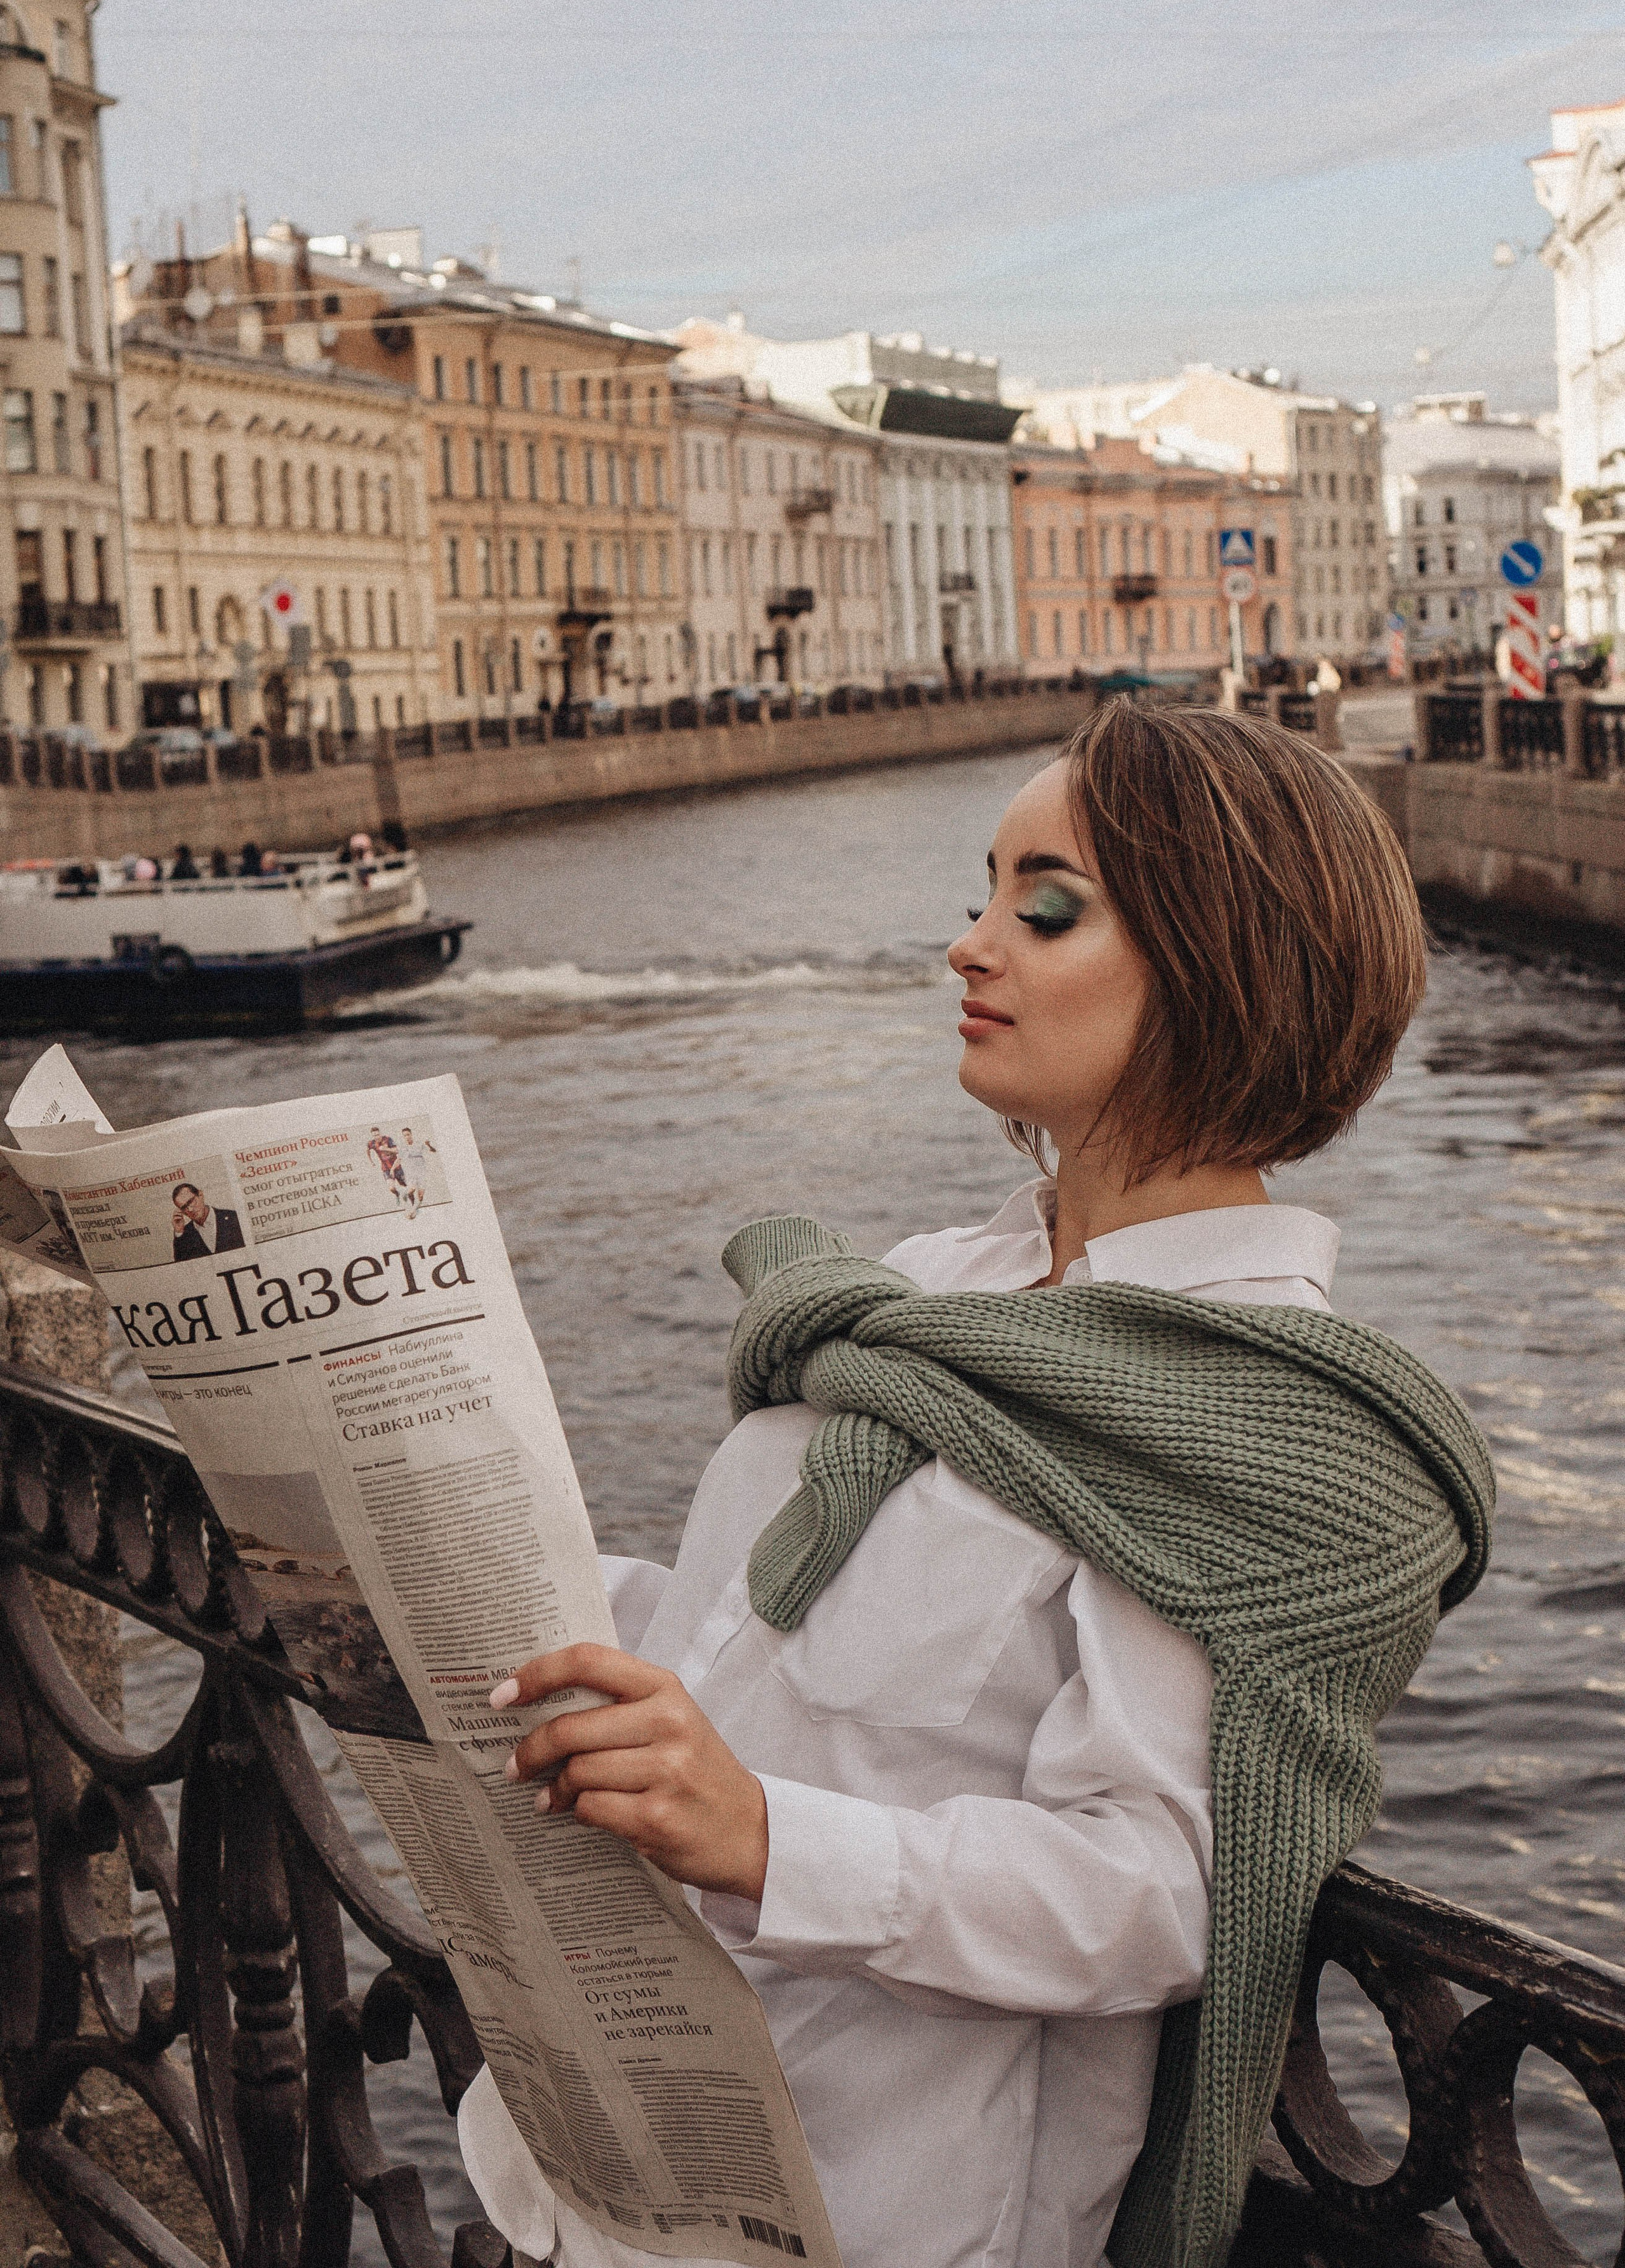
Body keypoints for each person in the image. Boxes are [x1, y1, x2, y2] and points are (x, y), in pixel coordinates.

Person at [461, 703, 1494, 2268]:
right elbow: (762, 1654)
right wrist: (484, 1583)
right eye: (981, 893)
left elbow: (1165, 1891)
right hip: (597, 2150)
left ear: (1220, 963)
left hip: (868, 2213)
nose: (969, 944)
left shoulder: (1263, 1424)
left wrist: (763, 1837)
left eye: (1046, 908)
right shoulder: (927, 1292)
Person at [171, 1180, 244, 1262]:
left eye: (191, 1201)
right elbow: (182, 1265)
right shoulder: (185, 1235)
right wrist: (179, 1233)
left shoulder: (234, 1217)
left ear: (200, 1195)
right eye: (184, 1207)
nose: (190, 1209)